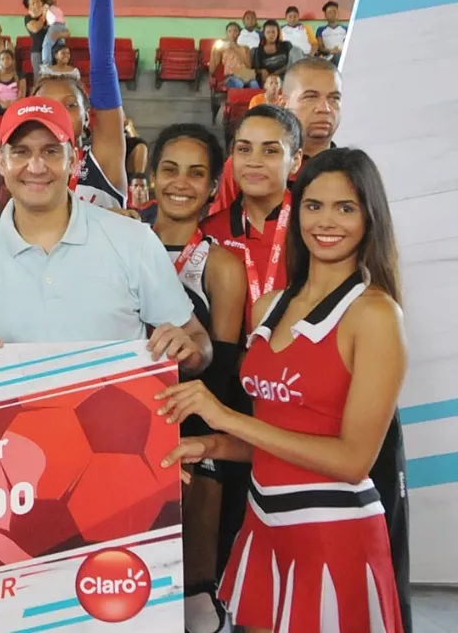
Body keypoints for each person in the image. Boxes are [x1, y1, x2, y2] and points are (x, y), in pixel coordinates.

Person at [158, 148, 407, 633]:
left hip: (334, 535)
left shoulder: (375, 315)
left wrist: (225, 418)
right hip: (263, 524)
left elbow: (352, 460)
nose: (326, 222)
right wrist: (212, 446)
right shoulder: (272, 304)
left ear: (370, 217)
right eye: (314, 206)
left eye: (346, 208)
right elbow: (280, 438)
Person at [0, 100, 212, 379]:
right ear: (1, 161)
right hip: (12, 422)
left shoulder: (134, 241)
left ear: (73, 161)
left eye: (51, 151)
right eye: (21, 152)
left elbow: (196, 339)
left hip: (115, 420)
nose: (36, 166)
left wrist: (190, 352)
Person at [145, 123, 246, 633]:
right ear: (150, 176)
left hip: (186, 439)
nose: (181, 183)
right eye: (169, 169)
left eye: (196, 173)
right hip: (113, 431)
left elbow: (223, 373)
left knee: (195, 603)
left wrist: (203, 449)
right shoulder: (121, 240)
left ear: (213, 186)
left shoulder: (222, 265)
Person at [33, 0, 128, 211]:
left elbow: (103, 62)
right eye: (48, 106)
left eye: (71, 104)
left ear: (87, 117)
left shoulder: (102, 159)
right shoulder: (25, 165)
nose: (60, 112)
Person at [201, 105, 303, 323]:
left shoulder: (313, 226)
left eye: (270, 151)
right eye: (244, 149)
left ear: (296, 161)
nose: (254, 162)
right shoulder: (210, 232)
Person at [210, 57, 342, 216]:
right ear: (282, 102)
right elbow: (217, 231)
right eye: (311, 97)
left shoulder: (351, 171)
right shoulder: (247, 163)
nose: (325, 108)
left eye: (334, 98)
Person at [210, 22, 257, 89]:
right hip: (231, 75)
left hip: (245, 74)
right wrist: (214, 51)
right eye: (229, 31)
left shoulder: (245, 48)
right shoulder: (222, 48)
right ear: (226, 34)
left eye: (235, 31)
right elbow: (212, 70)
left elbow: (249, 66)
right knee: (238, 84)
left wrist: (236, 49)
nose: (232, 34)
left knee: (254, 84)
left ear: (239, 34)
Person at [252, 19, 293, 85]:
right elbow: (256, 69)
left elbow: (292, 63)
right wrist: (262, 71)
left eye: (273, 32)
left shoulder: (286, 45)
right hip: (269, 81)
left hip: (286, 78)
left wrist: (276, 73)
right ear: (264, 33)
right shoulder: (259, 50)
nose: (271, 35)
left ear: (278, 32)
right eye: (268, 32)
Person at [0, 49, 24, 119]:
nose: (5, 61)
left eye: (8, 58)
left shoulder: (20, 75)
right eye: (2, 59)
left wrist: (13, 103)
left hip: (15, 103)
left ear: (12, 60)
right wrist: (1, 103)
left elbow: (22, 95)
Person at [23, 0, 50, 76]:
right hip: (38, 52)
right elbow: (35, 28)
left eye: (38, 1)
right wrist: (43, 16)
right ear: (29, 7)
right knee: (39, 79)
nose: (36, 5)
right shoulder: (28, 18)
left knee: (52, 79)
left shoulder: (50, 15)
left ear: (43, 3)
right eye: (33, 3)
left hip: (52, 51)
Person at [41, 0, 71, 66]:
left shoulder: (47, 7)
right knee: (61, 46)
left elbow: (44, 18)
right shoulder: (58, 9)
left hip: (55, 25)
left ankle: (47, 65)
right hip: (63, 26)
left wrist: (44, 14)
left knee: (47, 45)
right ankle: (61, 64)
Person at [317, 1, 347, 65]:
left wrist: (342, 51)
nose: (334, 14)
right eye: (330, 12)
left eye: (335, 11)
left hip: (344, 56)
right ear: (326, 16)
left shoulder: (346, 29)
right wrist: (331, 51)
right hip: (329, 56)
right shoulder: (321, 30)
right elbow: (321, 47)